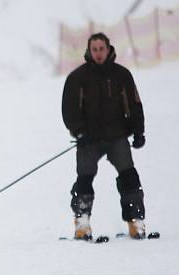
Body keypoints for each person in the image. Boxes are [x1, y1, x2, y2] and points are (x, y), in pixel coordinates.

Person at [61, 32, 147, 240]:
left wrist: (138, 131)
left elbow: (134, 105)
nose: (98, 53)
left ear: (108, 49)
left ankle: (135, 222)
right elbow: (69, 109)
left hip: (117, 137)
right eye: (95, 49)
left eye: (102, 49)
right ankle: (82, 224)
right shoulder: (77, 78)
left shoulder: (122, 75)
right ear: (89, 51)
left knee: (129, 177)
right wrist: (79, 132)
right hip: (89, 140)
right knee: (84, 180)